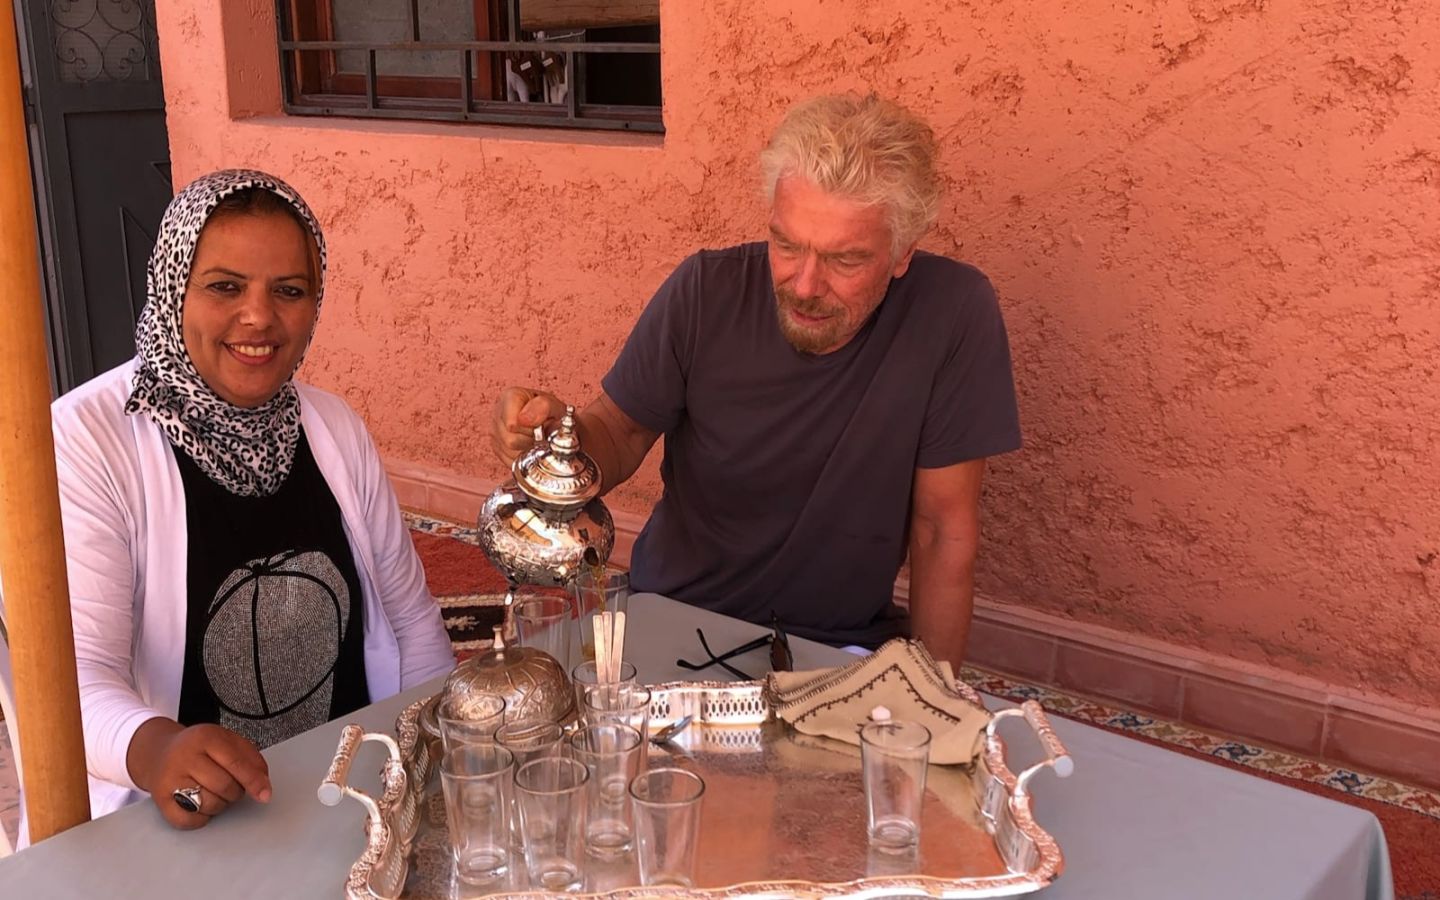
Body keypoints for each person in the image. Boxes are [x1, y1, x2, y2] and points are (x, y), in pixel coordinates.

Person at [491, 94, 1021, 668]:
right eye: (787, 245)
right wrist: (557, 442)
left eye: (845, 260)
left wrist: (932, 698)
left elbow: (942, 530)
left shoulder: (952, 313)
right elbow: (617, 433)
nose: (805, 284)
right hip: (675, 616)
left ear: (902, 253)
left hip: (839, 640)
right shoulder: (703, 292)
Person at [22, 169, 455, 836]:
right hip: (182, 826)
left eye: (289, 291)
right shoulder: (85, 440)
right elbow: (69, 682)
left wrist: (434, 766)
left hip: (353, 797)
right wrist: (156, 747)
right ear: (172, 290)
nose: (259, 317)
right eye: (225, 287)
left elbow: (412, 624)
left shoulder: (332, 425)